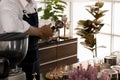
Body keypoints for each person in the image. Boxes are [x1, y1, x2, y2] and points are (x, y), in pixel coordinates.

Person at [0, 0, 53, 80]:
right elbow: (10, 26)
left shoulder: (33, 3)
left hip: (34, 56)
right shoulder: (8, 2)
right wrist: (40, 32)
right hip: (14, 60)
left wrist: (43, 35)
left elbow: (31, 31)